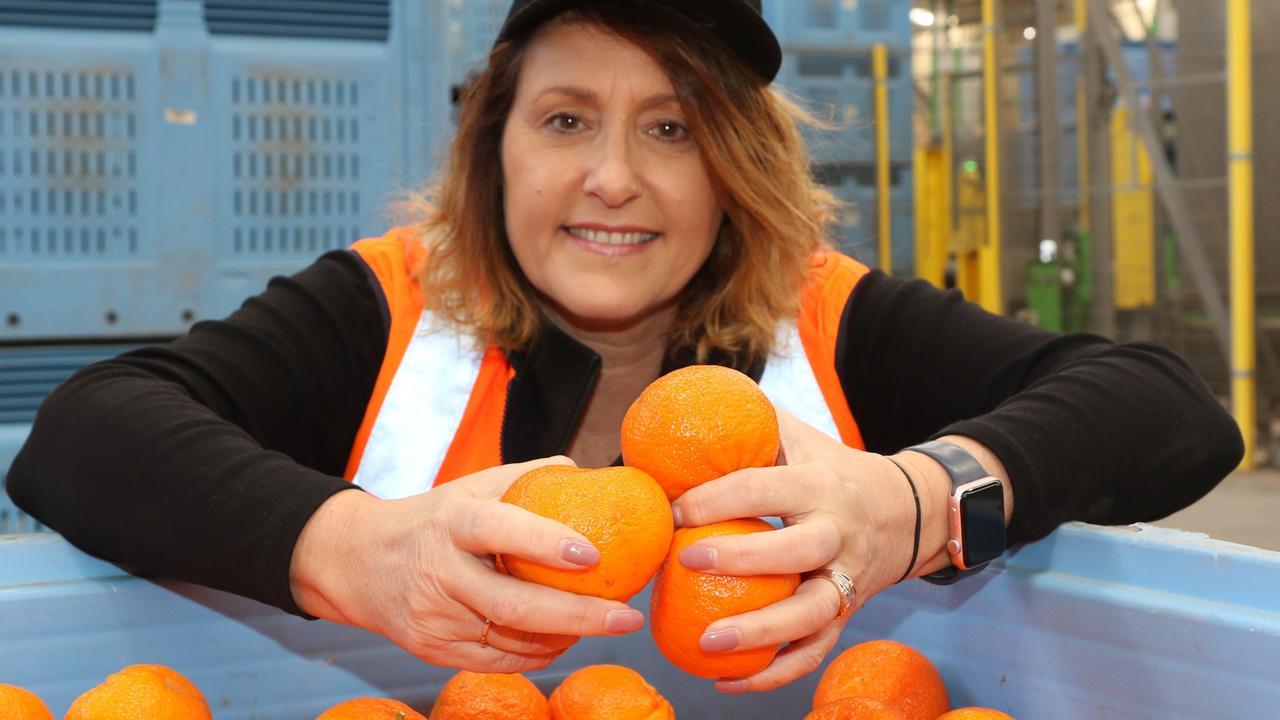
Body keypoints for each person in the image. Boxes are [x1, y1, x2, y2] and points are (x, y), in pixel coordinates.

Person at [8, 0, 1241, 695]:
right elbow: (88, 432)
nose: (612, 179)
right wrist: (351, 545)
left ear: (734, 169)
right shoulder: (389, 309)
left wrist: (917, 501)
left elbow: (1162, 407)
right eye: (563, 119)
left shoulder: (823, 318)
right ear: (493, 148)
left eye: (670, 126)